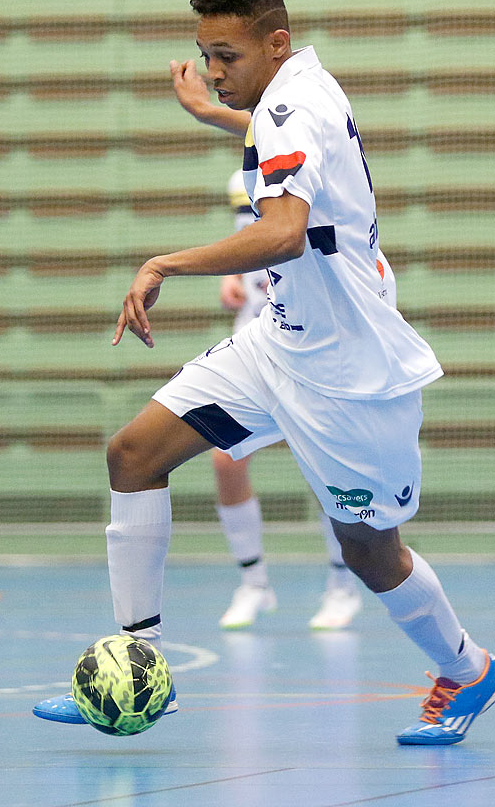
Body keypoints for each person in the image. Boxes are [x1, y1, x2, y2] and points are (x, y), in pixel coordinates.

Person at [35, 0, 495, 745]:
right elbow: (285, 145)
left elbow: (283, 231)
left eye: (226, 56)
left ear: (275, 43)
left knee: (370, 553)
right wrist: (218, 115)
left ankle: (468, 669)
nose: (215, 72)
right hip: (277, 347)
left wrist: (164, 264)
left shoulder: (286, 107)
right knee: (134, 454)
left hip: (354, 377)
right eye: (204, 56)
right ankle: (140, 661)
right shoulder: (308, 92)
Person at [171, 65, 363, 632]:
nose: (216, 73)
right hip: (259, 327)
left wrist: (208, 112)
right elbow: (245, 242)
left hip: (317, 337)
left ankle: (341, 585)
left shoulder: (302, 132)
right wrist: (225, 281)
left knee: (330, 468)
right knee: (225, 458)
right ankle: (254, 582)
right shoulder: (246, 175)